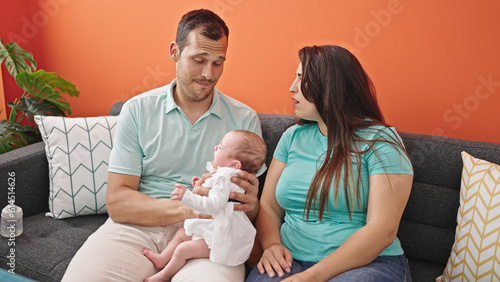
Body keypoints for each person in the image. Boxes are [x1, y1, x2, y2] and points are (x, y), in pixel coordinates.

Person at [62, 9, 264, 282]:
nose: (208, 73)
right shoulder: (137, 110)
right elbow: (118, 201)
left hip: (210, 235)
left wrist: (249, 205)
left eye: (218, 63)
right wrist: (190, 208)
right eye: (199, 60)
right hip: (136, 227)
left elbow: (249, 212)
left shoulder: (244, 120)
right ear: (174, 52)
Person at [246, 45, 414, 282]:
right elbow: (269, 205)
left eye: (302, 79)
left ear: (330, 87)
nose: (292, 88)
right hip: (290, 260)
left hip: (366, 264)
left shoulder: (380, 139)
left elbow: (382, 230)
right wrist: (272, 244)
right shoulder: (292, 137)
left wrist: (312, 277)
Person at [143, 130, 267, 282]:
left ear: (234, 164)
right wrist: (200, 185)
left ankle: (164, 276)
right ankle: (162, 259)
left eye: (220, 147)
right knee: (183, 233)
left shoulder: (225, 178)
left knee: (183, 249)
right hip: (215, 227)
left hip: (223, 238)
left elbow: (214, 205)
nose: (215, 148)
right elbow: (218, 195)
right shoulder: (229, 177)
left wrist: (187, 196)